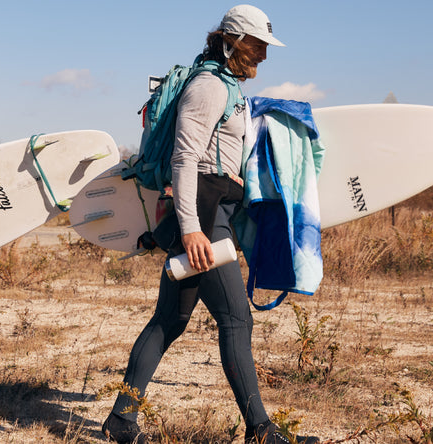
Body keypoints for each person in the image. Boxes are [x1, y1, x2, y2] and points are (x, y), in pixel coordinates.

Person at [102, 6, 317, 444]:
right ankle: (261, 432)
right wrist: (191, 229)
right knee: (236, 320)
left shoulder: (228, 85)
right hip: (200, 214)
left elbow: (212, 157)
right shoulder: (208, 86)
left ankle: (121, 421)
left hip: (212, 207)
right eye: (257, 46)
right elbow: (185, 159)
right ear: (232, 40)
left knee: (169, 321)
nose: (262, 55)